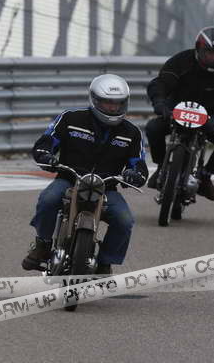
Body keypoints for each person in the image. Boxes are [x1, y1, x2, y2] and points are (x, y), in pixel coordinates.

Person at [22, 74, 148, 275]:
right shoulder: (70, 118)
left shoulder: (132, 132)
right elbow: (47, 141)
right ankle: (43, 244)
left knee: (125, 220)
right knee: (48, 200)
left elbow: (138, 163)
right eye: (107, 103)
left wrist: (135, 174)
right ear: (94, 100)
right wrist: (45, 154)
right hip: (69, 179)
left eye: (118, 103)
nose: (113, 108)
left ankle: (106, 262)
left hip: (106, 187)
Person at [145, 26, 214, 201]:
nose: (213, 58)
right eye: (209, 53)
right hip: (176, 113)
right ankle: (160, 167)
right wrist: (159, 103)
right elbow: (161, 83)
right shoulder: (181, 60)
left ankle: (206, 176)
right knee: (152, 128)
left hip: (208, 119)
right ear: (198, 48)